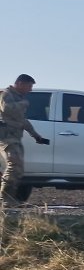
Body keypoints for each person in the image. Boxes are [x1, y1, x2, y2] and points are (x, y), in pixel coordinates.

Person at [0, 74, 50, 206]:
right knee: (14, 166)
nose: (31, 90)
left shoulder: (18, 98)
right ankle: (5, 200)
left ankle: (10, 199)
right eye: (29, 86)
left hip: (14, 138)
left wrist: (35, 135)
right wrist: (23, 103)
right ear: (20, 83)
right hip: (6, 138)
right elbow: (6, 109)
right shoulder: (6, 94)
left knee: (18, 169)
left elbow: (22, 121)